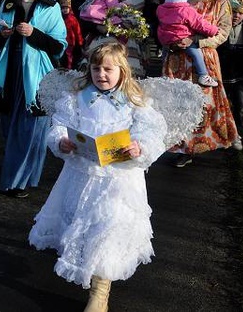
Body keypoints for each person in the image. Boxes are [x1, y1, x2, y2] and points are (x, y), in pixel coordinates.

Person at [29, 41, 167, 312]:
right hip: (82, 176)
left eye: (108, 69)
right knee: (85, 228)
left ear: (122, 71)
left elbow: (151, 133)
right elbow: (59, 126)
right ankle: (88, 273)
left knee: (108, 230)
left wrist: (140, 146)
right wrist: (61, 143)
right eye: (96, 69)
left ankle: (99, 293)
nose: (101, 75)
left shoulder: (135, 102)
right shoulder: (77, 98)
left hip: (119, 180)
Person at [0, 0, 67, 197]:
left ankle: (17, 181)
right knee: (9, 129)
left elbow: (58, 47)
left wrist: (34, 34)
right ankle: (21, 174)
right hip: (10, 73)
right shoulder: (8, 3)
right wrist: (3, 35)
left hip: (36, 78)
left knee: (30, 129)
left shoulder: (50, 6)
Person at [162, 0, 239, 167]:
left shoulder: (219, 2)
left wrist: (196, 40)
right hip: (177, 58)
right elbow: (166, 23)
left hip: (204, 58)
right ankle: (183, 147)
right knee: (177, 103)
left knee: (204, 104)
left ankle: (206, 142)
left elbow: (223, 33)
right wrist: (172, 42)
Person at [157, 0, 220, 87]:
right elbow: (200, 24)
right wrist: (213, 30)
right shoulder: (186, 10)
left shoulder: (161, 9)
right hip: (183, 39)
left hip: (167, 40)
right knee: (196, 53)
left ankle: (164, 74)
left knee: (165, 56)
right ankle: (203, 75)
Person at [218, 0, 243, 146]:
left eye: (240, 13)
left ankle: (236, 135)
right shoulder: (218, 26)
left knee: (240, 106)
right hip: (221, 73)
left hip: (240, 75)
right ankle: (221, 135)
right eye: (234, 12)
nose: (236, 16)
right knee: (220, 108)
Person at [58, 0, 83, 70]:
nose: (65, 10)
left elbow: (77, 30)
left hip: (70, 40)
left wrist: (80, 41)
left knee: (69, 54)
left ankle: (69, 67)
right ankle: (60, 65)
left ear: (69, 8)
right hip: (61, 39)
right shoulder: (59, 18)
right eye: (63, 8)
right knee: (61, 53)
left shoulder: (72, 19)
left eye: (66, 8)